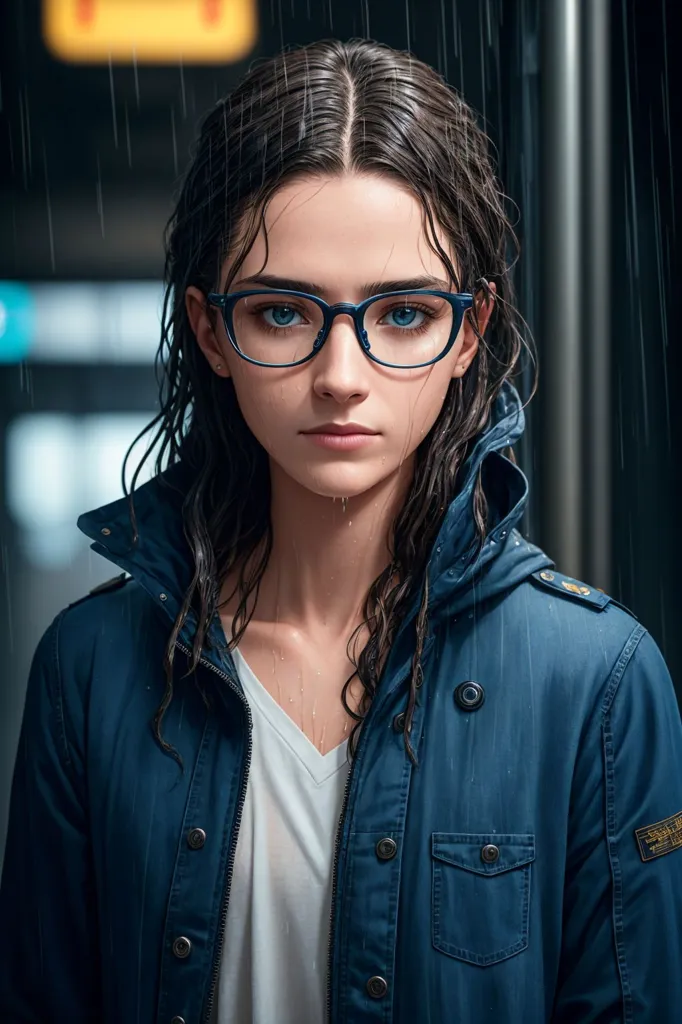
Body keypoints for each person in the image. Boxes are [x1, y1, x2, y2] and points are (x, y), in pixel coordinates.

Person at [1, 35, 681, 1024]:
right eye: (283, 313)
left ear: (470, 332)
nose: (341, 375)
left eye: (401, 314)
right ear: (209, 330)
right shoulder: (92, 668)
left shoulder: (597, 680)